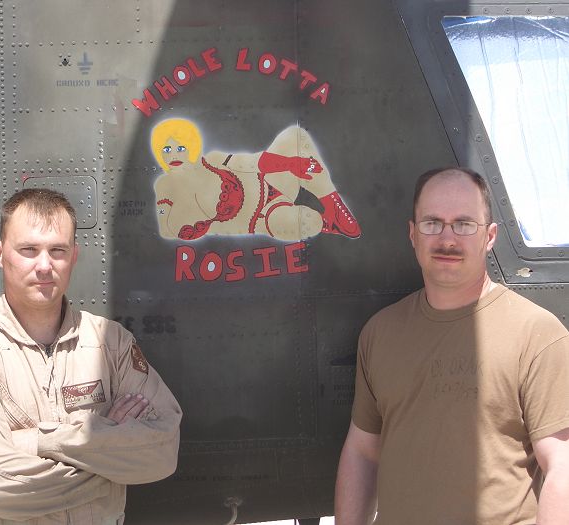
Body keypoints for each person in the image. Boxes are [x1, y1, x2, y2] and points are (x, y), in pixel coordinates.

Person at [0, 189, 182, 525]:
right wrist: (110, 456)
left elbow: (161, 452)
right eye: (29, 250)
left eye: (57, 251)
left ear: (74, 255)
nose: (45, 265)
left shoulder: (112, 344)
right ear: (0, 254)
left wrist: (36, 440)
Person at [334, 167, 569, 524]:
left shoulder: (537, 335)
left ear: (489, 236)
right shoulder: (380, 333)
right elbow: (363, 453)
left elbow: (562, 466)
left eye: (464, 224)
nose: (447, 239)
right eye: (432, 223)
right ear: (413, 234)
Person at [151, 118, 361, 241]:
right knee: (310, 223)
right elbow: (166, 230)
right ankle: (325, 223)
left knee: (294, 135)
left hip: (271, 182)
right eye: (166, 149)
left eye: (181, 148)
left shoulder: (212, 159)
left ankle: (333, 204)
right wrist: (189, 209)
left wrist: (291, 164)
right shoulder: (164, 184)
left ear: (192, 146)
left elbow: (251, 162)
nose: (174, 155)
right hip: (266, 216)